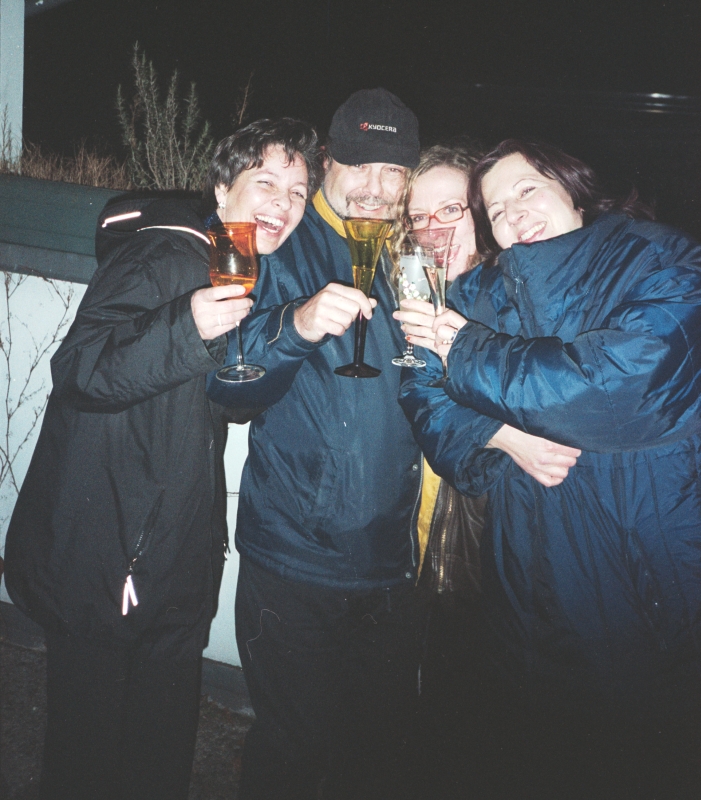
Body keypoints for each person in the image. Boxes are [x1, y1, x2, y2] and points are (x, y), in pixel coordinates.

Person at [3, 117, 321, 800]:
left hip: (172, 556)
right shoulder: (161, 256)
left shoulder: (233, 267)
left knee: (158, 747)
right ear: (221, 188)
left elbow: (210, 401)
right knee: (89, 756)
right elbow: (80, 370)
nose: (284, 203)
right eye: (266, 182)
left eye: (297, 192)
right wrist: (189, 325)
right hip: (108, 558)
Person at [399, 138, 701, 799]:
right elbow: (420, 382)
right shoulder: (483, 290)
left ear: (573, 186)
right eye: (497, 208)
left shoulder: (663, 259)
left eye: (527, 190)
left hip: (639, 592)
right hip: (523, 586)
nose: (514, 213)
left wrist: (465, 349)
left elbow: (620, 387)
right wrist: (500, 433)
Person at [207, 88, 426, 800]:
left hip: (392, 560)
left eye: (392, 170)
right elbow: (228, 386)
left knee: (379, 753)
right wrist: (296, 326)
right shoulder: (272, 239)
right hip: (296, 560)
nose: (373, 186)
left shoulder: (414, 250)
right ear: (328, 160)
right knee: (293, 752)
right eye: (358, 163)